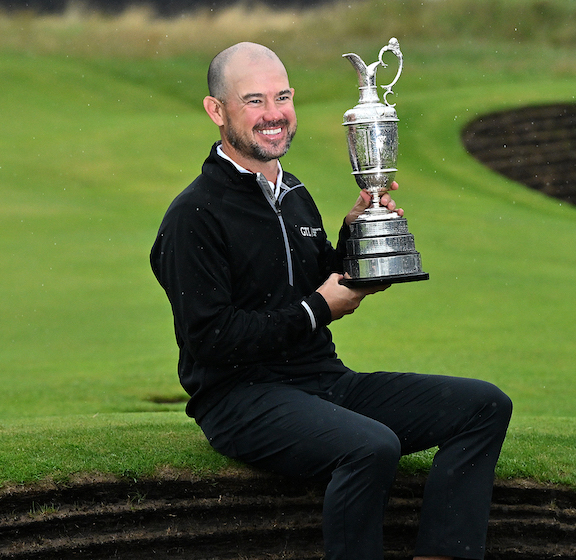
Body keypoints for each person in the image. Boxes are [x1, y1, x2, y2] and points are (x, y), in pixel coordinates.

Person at [150, 42, 512, 560]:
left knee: (483, 405)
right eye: (254, 101)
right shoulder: (195, 215)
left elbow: (317, 275)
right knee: (371, 447)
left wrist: (357, 237)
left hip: (321, 381)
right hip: (239, 399)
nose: (274, 115)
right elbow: (211, 340)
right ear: (217, 110)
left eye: (283, 97)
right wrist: (318, 309)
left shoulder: (293, 192)